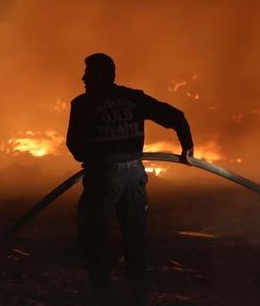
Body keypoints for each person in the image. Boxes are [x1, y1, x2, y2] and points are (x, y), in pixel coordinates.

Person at [66, 53, 194, 305]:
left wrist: (96, 156)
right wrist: (187, 147)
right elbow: (176, 116)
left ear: (100, 75)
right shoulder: (133, 98)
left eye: (88, 72)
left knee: (92, 234)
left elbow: (75, 147)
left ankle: (104, 295)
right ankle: (139, 295)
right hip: (134, 175)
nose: (83, 77)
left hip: (104, 177)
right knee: (134, 236)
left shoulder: (82, 104)